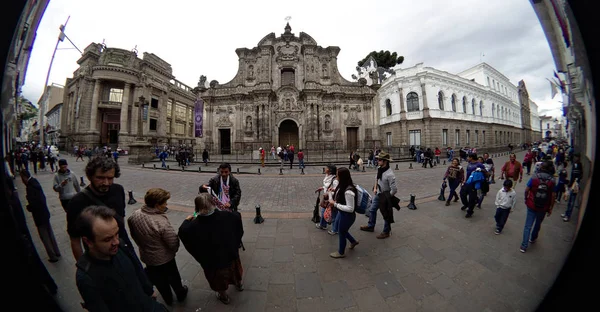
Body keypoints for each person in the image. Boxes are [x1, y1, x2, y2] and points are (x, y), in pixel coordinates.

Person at [74, 206, 168, 311]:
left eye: (116, 234)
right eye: (107, 239)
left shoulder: (121, 247)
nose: (116, 242)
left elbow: (137, 268)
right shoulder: (86, 277)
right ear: (88, 242)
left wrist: (148, 289)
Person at [179, 194, 244, 305]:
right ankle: (239, 285)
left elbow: (183, 233)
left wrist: (186, 221)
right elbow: (238, 220)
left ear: (197, 208)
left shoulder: (191, 227)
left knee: (218, 282)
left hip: (212, 263)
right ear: (213, 204)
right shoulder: (229, 216)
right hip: (230, 256)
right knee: (235, 273)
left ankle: (224, 297)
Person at [67, 156, 136, 262]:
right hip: (99, 257)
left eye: (110, 178)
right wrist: (83, 267)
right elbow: (75, 240)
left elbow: (121, 220)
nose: (106, 183)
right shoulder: (77, 202)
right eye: (100, 178)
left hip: (124, 247)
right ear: (90, 176)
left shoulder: (118, 190)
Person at [128, 188, 188, 305]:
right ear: (156, 205)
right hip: (165, 258)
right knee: (173, 277)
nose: (166, 205)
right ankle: (180, 293)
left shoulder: (134, 216)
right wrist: (173, 251)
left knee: (160, 281)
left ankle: (168, 299)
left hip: (148, 258)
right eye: (164, 203)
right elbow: (173, 242)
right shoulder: (161, 222)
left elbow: (134, 236)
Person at [20, 170, 61, 263]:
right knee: (50, 233)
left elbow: (34, 203)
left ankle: (53, 256)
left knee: (44, 236)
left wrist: (28, 207)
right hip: (45, 212)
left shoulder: (30, 188)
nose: (22, 180)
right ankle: (57, 251)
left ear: (24, 177)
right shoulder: (35, 182)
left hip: (38, 215)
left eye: (22, 178)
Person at [520, 161, 556, 253]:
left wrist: (526, 198)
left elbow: (526, 190)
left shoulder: (534, 177)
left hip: (531, 204)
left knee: (528, 225)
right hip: (544, 207)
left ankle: (524, 246)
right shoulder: (552, 180)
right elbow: (553, 195)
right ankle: (533, 238)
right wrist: (551, 207)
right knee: (538, 223)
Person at [360, 151, 397, 239]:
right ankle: (371, 226)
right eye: (377, 159)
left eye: (379, 160)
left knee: (386, 214)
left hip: (385, 196)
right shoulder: (380, 169)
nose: (377, 161)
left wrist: (387, 197)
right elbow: (377, 179)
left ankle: (386, 232)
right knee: (372, 210)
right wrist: (375, 188)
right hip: (378, 194)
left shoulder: (390, 174)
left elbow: (394, 190)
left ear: (385, 161)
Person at [328, 167, 359, 258]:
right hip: (342, 213)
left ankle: (341, 252)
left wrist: (335, 204)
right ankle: (353, 241)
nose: (336, 177)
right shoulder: (343, 186)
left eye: (337, 175)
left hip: (347, 216)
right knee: (340, 229)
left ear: (342, 177)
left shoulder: (349, 191)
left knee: (342, 232)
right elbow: (339, 195)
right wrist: (333, 191)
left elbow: (350, 208)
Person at [460, 153, 488, 218]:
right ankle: (466, 204)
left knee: (471, 199)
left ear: (471, 158)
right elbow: (468, 173)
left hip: (474, 184)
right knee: (462, 194)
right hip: (467, 182)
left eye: (468, 157)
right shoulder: (469, 164)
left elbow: (486, 173)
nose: (467, 158)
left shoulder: (479, 164)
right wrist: (464, 181)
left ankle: (470, 211)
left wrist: (481, 170)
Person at [315, 164, 339, 231]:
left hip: (331, 199)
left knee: (331, 214)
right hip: (327, 198)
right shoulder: (328, 176)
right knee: (325, 212)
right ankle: (323, 225)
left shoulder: (335, 180)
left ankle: (334, 229)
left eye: (326, 168)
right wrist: (322, 188)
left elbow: (336, 191)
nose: (325, 169)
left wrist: (328, 193)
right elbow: (327, 186)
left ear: (330, 170)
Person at [562, 153, 582, 222]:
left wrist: (577, 180)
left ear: (579, 158)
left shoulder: (579, 165)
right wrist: (569, 184)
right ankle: (566, 213)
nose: (575, 158)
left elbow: (580, 175)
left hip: (575, 186)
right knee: (569, 200)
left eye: (576, 157)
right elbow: (572, 176)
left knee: (571, 201)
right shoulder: (574, 165)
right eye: (575, 157)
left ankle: (568, 216)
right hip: (571, 185)